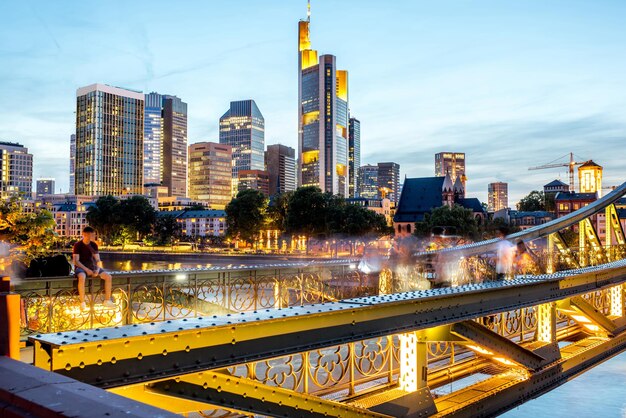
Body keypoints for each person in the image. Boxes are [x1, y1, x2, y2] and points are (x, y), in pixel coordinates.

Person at [73, 226, 114, 310]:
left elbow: (98, 260)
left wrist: (97, 270)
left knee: (108, 277)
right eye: (91, 235)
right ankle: (82, 302)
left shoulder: (94, 245)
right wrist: (87, 270)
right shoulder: (78, 245)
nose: (92, 237)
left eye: (93, 235)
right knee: (82, 277)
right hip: (81, 267)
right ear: (84, 234)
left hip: (92, 266)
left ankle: (107, 300)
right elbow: (76, 261)